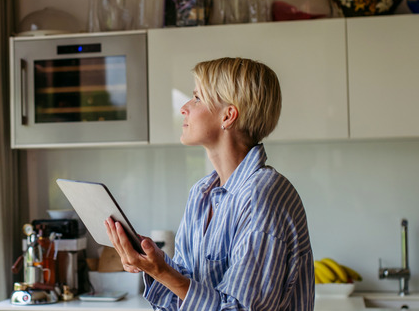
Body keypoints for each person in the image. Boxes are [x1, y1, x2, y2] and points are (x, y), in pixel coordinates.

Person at [105, 57, 313, 310]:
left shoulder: (263, 195)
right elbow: (178, 300)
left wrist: (163, 273)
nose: (184, 107)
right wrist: (153, 263)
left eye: (197, 98)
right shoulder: (201, 194)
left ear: (228, 116)